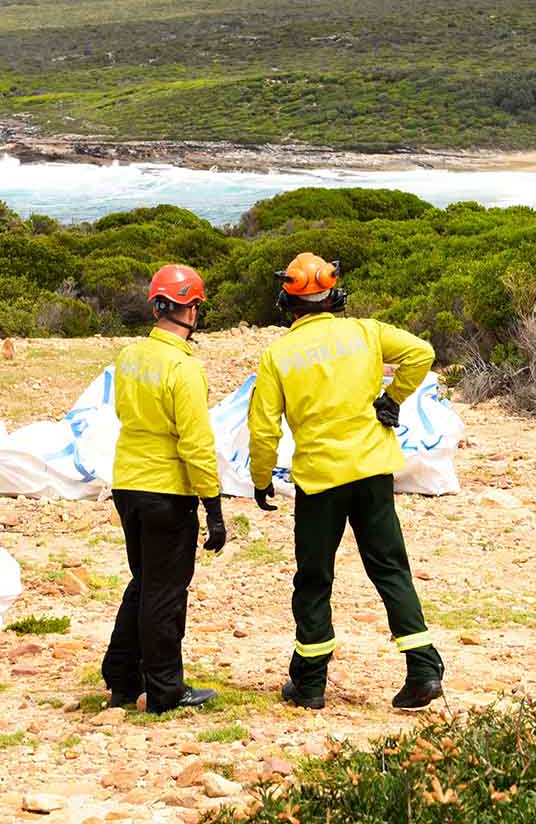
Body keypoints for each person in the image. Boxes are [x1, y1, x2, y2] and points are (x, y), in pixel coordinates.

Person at [248, 252, 445, 711]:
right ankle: (421, 668)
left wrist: (261, 479)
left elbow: (263, 428)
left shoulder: (278, 355)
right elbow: (422, 353)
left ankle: (311, 683)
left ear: (286, 301)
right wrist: (392, 397)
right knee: (390, 568)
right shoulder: (365, 332)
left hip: (320, 483)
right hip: (373, 471)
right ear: (335, 295)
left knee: (314, 579)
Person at [99, 263, 225, 713]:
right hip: (166, 490)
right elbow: (195, 441)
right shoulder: (184, 368)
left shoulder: (129, 356)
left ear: (157, 306)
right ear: (189, 310)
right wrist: (212, 504)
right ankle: (166, 690)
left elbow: (121, 412)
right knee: (166, 591)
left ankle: (122, 679)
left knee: (144, 581)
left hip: (128, 484)